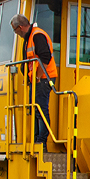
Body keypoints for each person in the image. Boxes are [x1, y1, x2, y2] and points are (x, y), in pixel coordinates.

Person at [9, 13, 56, 143]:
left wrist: (37, 77)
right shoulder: (29, 38)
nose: (16, 33)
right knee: (35, 108)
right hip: (38, 79)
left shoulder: (37, 35)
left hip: (44, 78)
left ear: (20, 27)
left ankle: (42, 140)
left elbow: (45, 57)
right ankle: (37, 139)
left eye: (15, 30)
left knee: (41, 108)